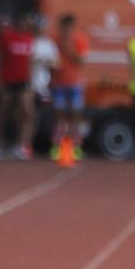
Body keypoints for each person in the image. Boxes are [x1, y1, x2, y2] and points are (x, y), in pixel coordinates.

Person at [0, 12, 36, 159]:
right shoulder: (6, 36)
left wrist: (30, 80)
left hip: (23, 82)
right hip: (7, 81)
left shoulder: (29, 38)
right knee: (4, 112)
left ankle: (21, 145)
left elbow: (30, 61)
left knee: (26, 112)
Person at [51, 13, 88, 160]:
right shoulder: (54, 40)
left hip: (74, 83)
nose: (65, 30)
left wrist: (68, 48)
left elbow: (81, 61)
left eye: (68, 27)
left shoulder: (79, 40)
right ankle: (57, 146)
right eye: (63, 27)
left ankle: (76, 146)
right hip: (58, 83)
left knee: (75, 115)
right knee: (59, 115)